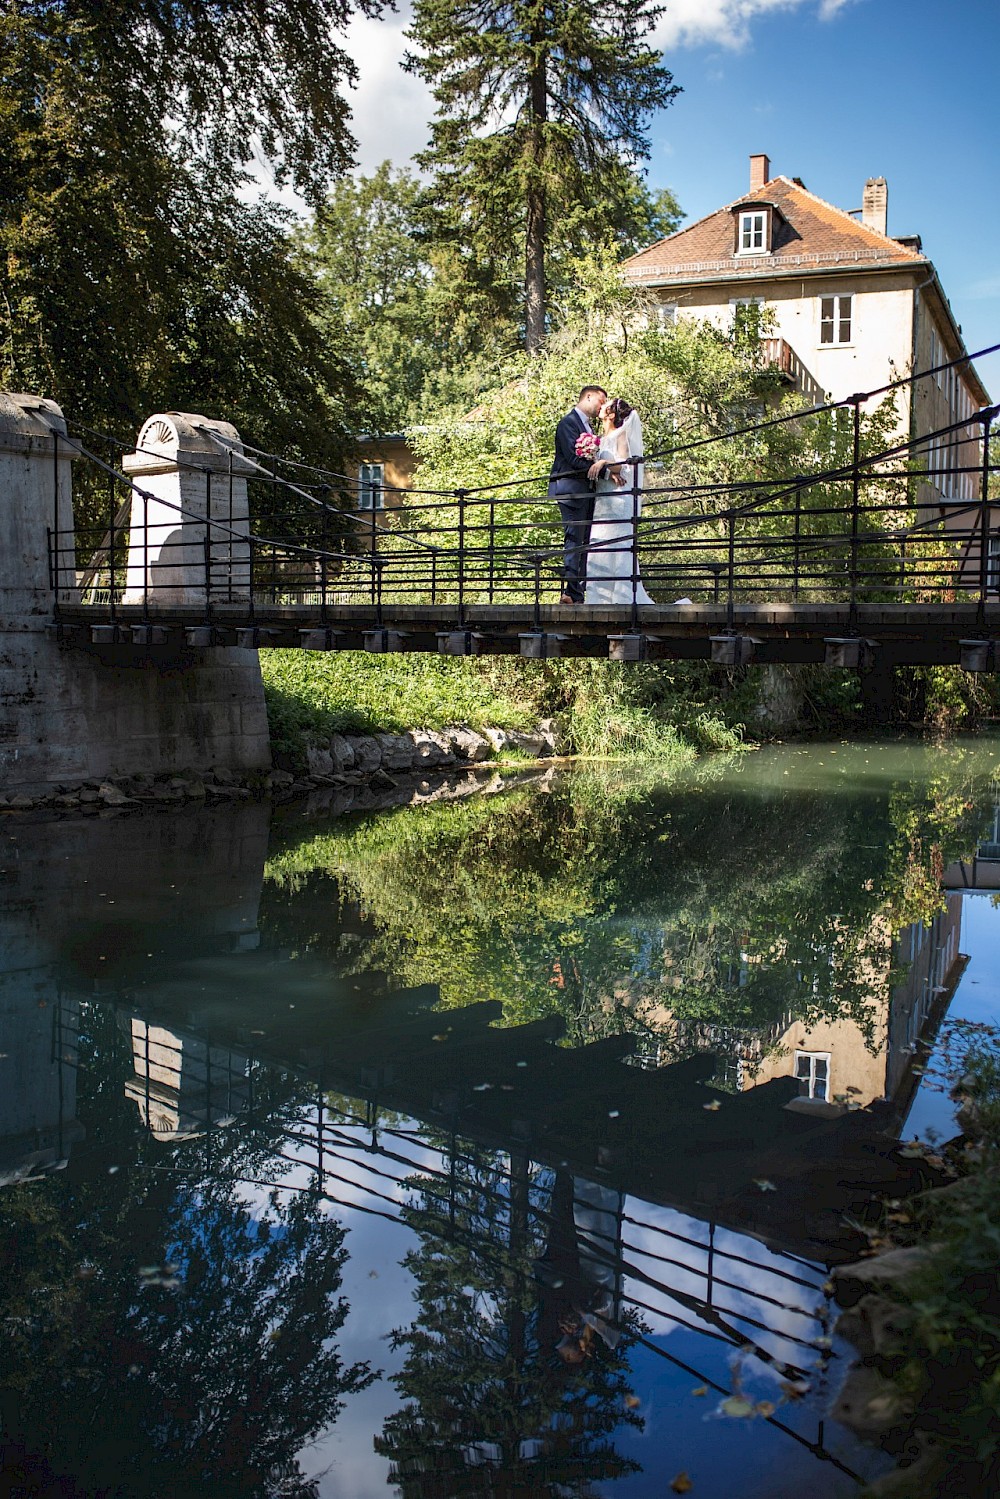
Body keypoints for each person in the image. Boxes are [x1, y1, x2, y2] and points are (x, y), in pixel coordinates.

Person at [585, 397, 654, 606]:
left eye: (606, 406)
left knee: (618, 543)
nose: (601, 407)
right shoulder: (598, 439)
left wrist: (604, 462)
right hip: (603, 499)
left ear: (611, 414)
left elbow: (624, 466)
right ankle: (598, 597)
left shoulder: (620, 434)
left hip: (617, 498)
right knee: (600, 543)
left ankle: (621, 597)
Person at [548, 385, 607, 604]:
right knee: (574, 539)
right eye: (600, 401)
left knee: (585, 540)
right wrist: (603, 470)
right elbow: (573, 459)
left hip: (586, 490)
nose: (601, 406)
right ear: (588, 396)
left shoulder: (588, 426)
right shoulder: (568, 423)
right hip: (571, 489)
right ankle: (573, 592)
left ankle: (574, 591)